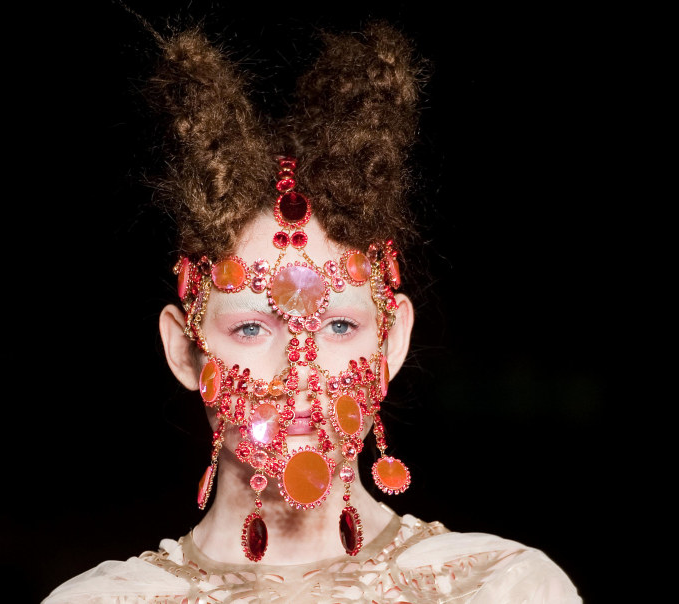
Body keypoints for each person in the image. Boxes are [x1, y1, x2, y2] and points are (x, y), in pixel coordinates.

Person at [42, 17, 581, 603]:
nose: (302, 371)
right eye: (252, 326)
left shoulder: (503, 589)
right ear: (183, 349)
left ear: (393, 338)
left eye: (340, 325)